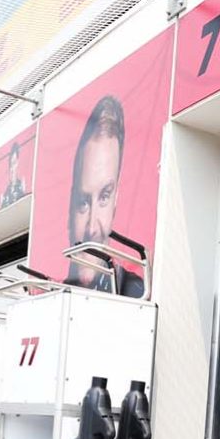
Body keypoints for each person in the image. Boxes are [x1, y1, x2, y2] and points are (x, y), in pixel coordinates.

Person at [64, 95, 144, 298]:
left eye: (104, 197)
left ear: (116, 199)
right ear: (70, 206)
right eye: (83, 202)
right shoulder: (52, 296)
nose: (92, 228)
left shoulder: (137, 294)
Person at [0, 141, 28, 207]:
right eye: (10, 165)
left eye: (14, 163)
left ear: (18, 163)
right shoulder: (5, 194)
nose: (12, 169)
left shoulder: (22, 188)